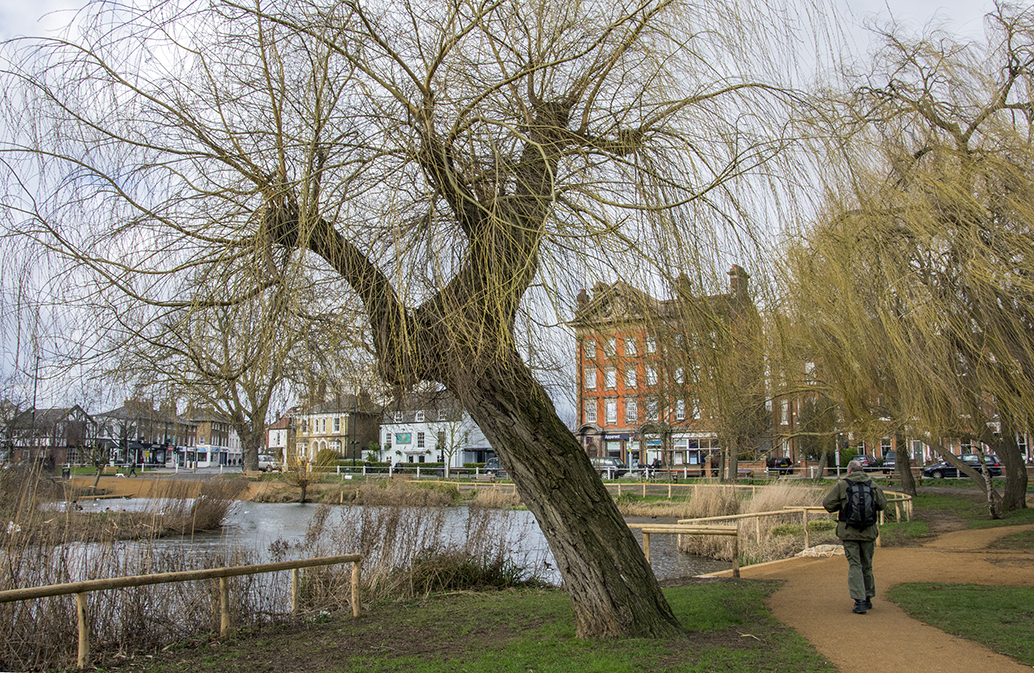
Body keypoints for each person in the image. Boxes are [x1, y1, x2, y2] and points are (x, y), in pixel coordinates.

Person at [823, 459, 887, 614]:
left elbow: (827, 504)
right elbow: (882, 504)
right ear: (862, 470)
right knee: (867, 564)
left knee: (855, 564)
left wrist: (843, 506)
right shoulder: (872, 485)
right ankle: (868, 597)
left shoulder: (842, 485)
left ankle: (859, 601)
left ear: (849, 471)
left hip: (849, 530)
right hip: (868, 531)